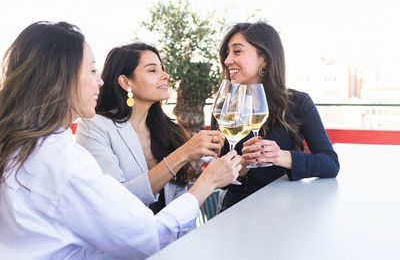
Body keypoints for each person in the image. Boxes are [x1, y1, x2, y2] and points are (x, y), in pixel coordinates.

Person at [0, 21, 241, 260]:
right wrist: (206, 182)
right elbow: (148, 238)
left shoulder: (23, 145)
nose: (100, 81)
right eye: (93, 70)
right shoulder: (66, 162)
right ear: (61, 77)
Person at [76, 43, 224, 215]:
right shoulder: (95, 126)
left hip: (172, 238)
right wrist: (182, 155)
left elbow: (180, 200)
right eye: (152, 70)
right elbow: (114, 202)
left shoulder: (168, 130)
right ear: (126, 82)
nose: (165, 76)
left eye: (162, 69)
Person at [213, 22, 340, 211]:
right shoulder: (225, 106)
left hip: (288, 208)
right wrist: (243, 165)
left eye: (237, 52)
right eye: (227, 53)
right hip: (237, 210)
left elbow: (330, 164)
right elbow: (222, 182)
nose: (227, 60)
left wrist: (279, 156)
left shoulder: (298, 102)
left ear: (263, 57)